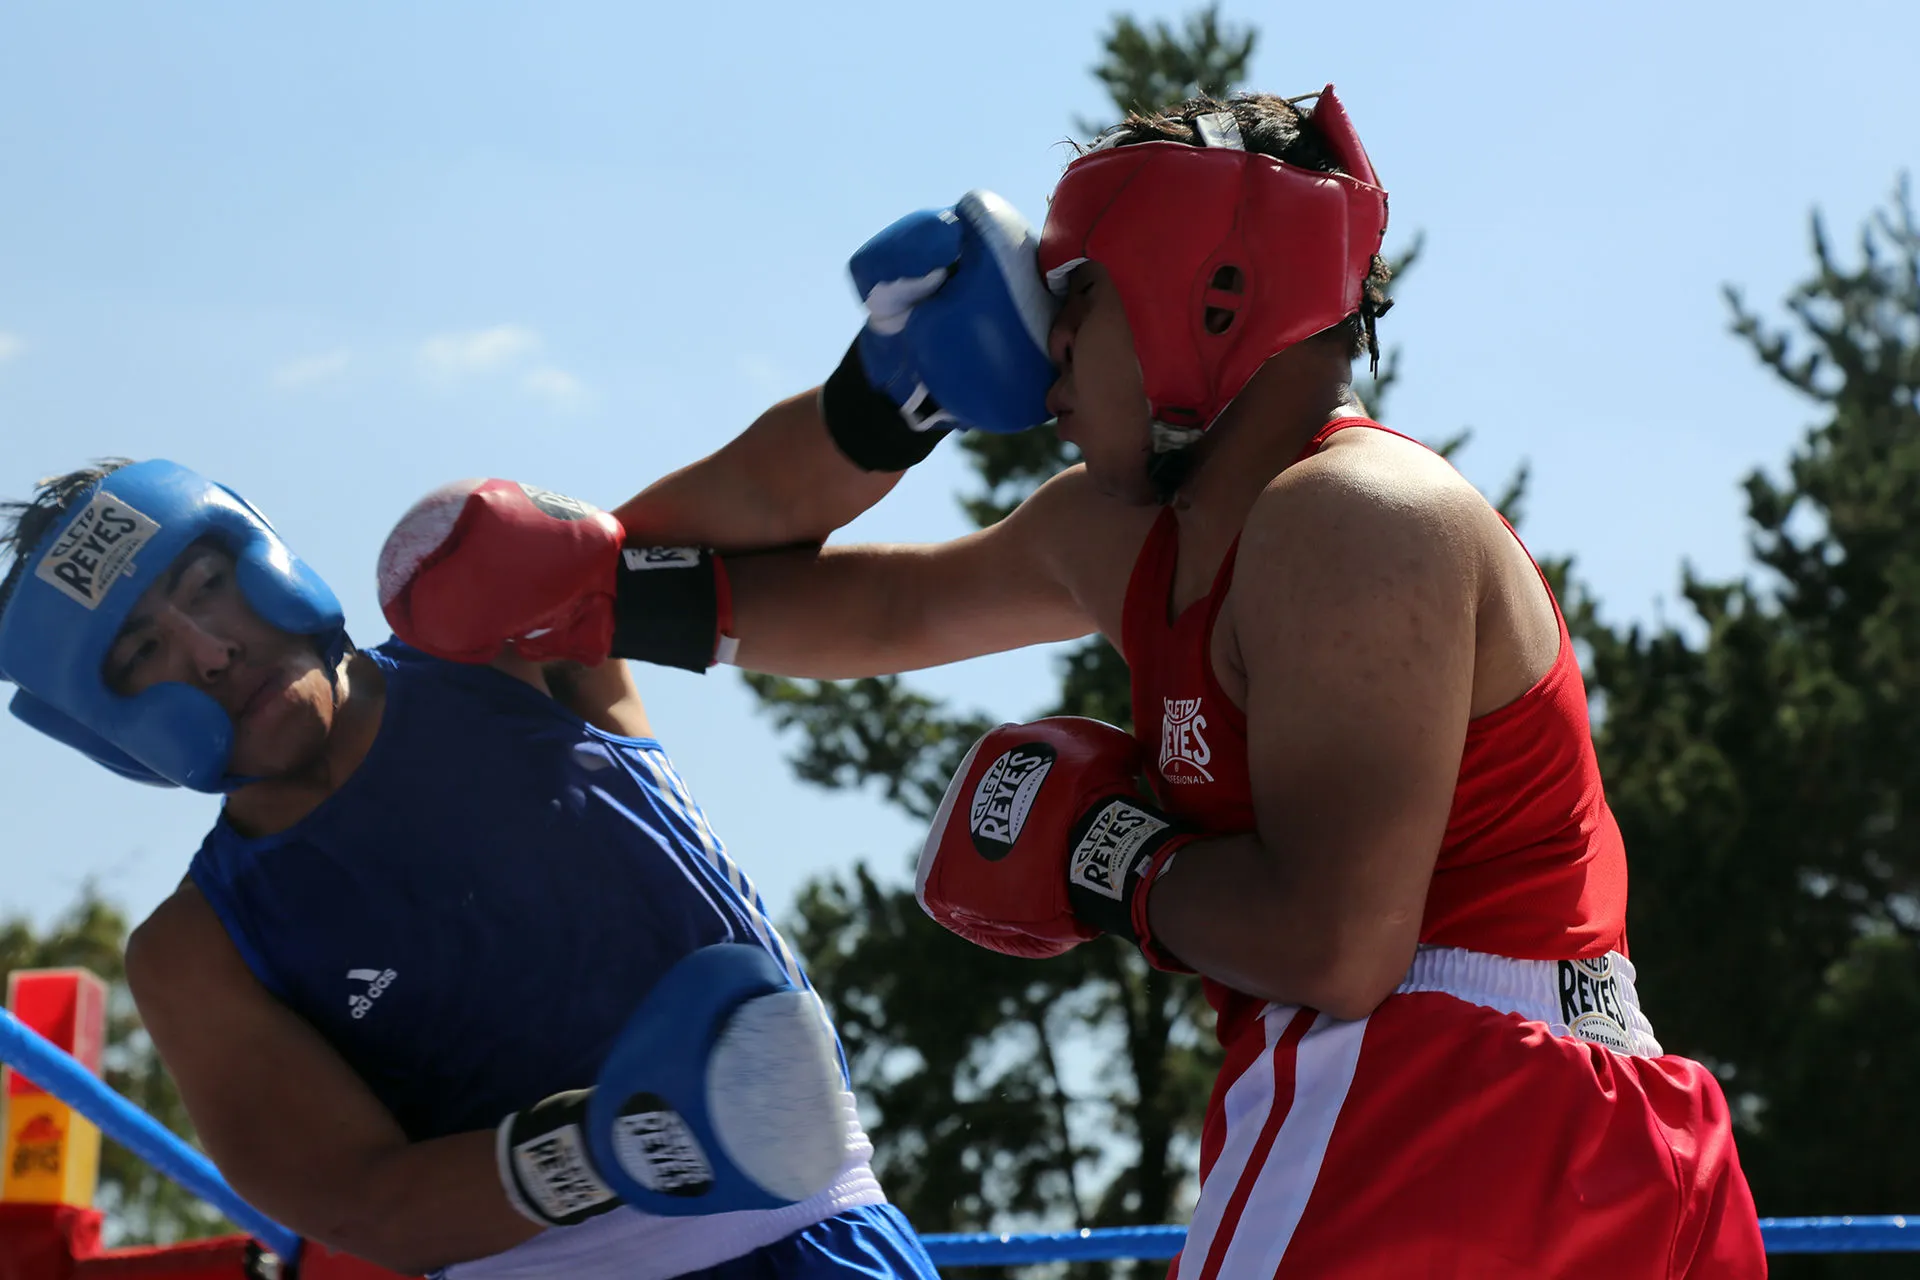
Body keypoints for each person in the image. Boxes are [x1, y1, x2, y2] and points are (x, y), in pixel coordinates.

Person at [446, 88, 1768, 1275]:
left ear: (1207, 292)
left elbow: (1339, 947)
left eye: (1077, 299)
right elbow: (873, 606)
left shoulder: (1350, 514)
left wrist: (1111, 859)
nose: (1043, 356)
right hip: (1621, 1144)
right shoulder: (1128, 533)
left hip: (1434, 1096)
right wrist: (836, 433)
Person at [0, 454, 938, 1280]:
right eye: (141, 652)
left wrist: (887, 398)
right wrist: (613, 1144)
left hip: (831, 1233)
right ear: (104, 727)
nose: (211, 652)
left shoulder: (502, 638)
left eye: (205, 584)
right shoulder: (196, 951)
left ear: (257, 549)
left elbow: (764, 500)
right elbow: (366, 1205)